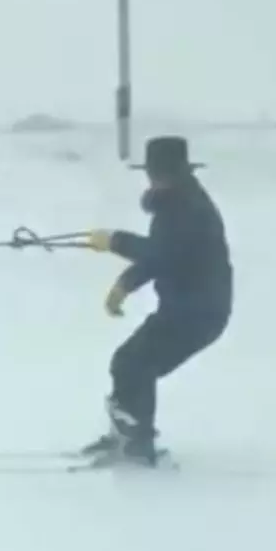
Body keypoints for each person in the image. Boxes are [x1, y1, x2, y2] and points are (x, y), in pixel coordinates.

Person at [80, 135, 233, 466]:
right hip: (186, 308)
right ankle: (127, 438)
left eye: (162, 173)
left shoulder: (189, 209)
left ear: (178, 173)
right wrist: (121, 273)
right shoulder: (176, 203)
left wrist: (114, 243)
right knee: (130, 363)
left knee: (134, 363)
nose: (155, 179)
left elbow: (161, 254)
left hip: (199, 311)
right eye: (153, 172)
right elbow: (162, 253)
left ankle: (138, 445)